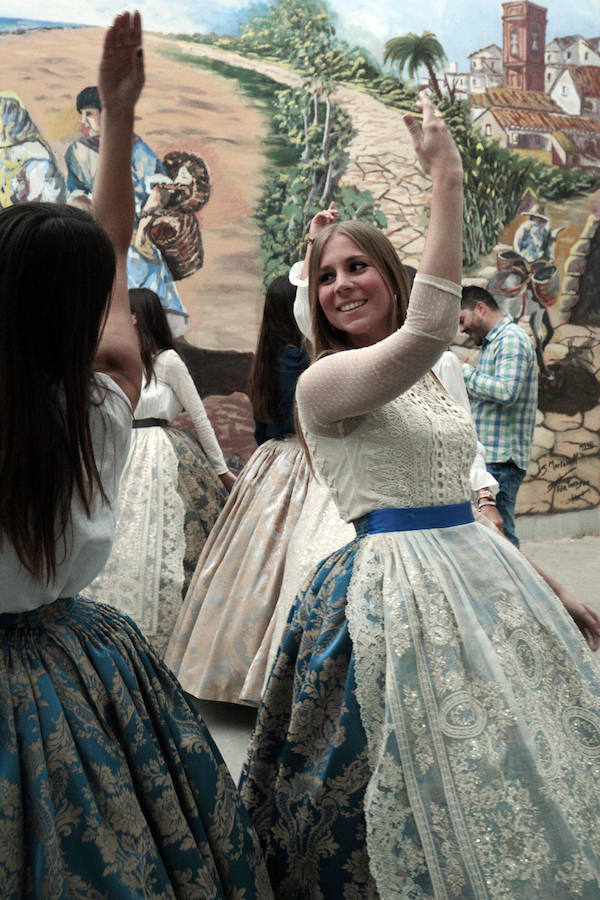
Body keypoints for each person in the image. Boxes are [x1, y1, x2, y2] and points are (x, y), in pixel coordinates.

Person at [240, 93, 600, 898]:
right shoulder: (327, 383)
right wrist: (447, 181)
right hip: (387, 598)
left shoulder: (438, 373)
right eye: (326, 275)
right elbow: (433, 327)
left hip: (479, 575)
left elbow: (472, 492)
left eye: (357, 266)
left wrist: (551, 586)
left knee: (512, 757)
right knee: (385, 784)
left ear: (389, 277)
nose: (341, 284)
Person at [0, 14, 271, 897]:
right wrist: (121, 115)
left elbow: (99, 252)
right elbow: (109, 253)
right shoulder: (102, 406)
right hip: (77, 666)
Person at [165, 276, 312, 705]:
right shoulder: (296, 358)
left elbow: (263, 428)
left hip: (271, 461)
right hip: (301, 459)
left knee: (252, 567)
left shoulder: (266, 357)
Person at [82, 287, 235, 657]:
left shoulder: (167, 361)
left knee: (163, 542)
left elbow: (198, 415)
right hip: (119, 452)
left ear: (135, 316)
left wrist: (221, 470)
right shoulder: (114, 363)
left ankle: (163, 642)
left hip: (161, 457)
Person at [65, 83, 189, 334]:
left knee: (142, 291)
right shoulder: (76, 152)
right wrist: (86, 211)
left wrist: (143, 226)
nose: (84, 121)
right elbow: (74, 191)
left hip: (133, 236)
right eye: (82, 115)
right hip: (95, 235)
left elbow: (158, 189)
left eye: (89, 113)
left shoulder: (133, 147)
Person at [460, 284, 538, 547]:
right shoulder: (494, 343)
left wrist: (463, 372)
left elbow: (506, 391)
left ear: (480, 308)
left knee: (500, 541)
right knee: (495, 539)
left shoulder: (510, 340)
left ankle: (524, 588)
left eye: (462, 319)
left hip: (500, 460)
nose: (461, 329)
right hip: (492, 459)